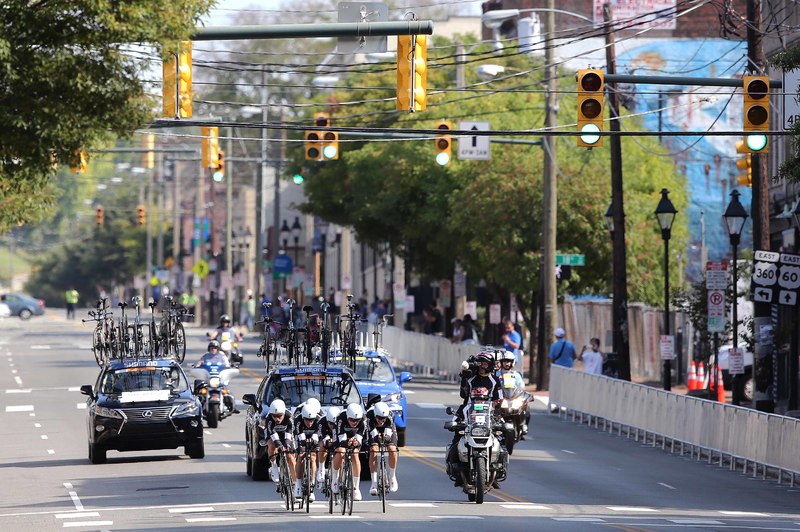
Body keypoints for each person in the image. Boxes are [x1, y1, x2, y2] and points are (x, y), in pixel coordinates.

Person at [332, 403, 366, 501]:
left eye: (357, 420)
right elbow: (341, 440)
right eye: (351, 420)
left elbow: (359, 439)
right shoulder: (341, 418)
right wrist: (346, 442)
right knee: (340, 451)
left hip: (354, 435)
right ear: (347, 417)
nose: (354, 422)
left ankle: (356, 488)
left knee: (355, 454)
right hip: (341, 434)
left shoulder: (363, 420)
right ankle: (335, 478)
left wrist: (356, 442)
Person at [367, 401, 399, 495]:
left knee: (392, 449)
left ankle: (392, 476)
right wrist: (377, 437)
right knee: (373, 450)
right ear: (375, 415)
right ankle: (374, 483)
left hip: (387, 428)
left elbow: (389, 432)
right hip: (373, 429)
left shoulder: (390, 416)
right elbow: (371, 432)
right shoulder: (369, 416)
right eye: (379, 418)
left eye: (383, 418)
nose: (381, 421)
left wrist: (386, 437)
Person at [293, 401, 323, 501]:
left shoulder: (319, 417)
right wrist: (302, 441)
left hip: (314, 434)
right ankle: (298, 484)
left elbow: (320, 432)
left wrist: (314, 439)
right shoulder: (298, 417)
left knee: (313, 455)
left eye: (311, 420)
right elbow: (297, 433)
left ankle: (312, 485)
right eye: (307, 420)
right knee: (301, 455)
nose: (309, 423)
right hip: (300, 434)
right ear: (303, 417)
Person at [263, 399, 296, 483]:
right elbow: (272, 434)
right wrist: (279, 445)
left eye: (279, 416)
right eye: (274, 416)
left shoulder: (289, 417)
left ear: (284, 413)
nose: (277, 419)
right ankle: (274, 465)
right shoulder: (269, 419)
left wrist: (287, 444)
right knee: (272, 445)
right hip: (273, 433)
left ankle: (296, 482)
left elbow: (290, 431)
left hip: (286, 433)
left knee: (290, 457)